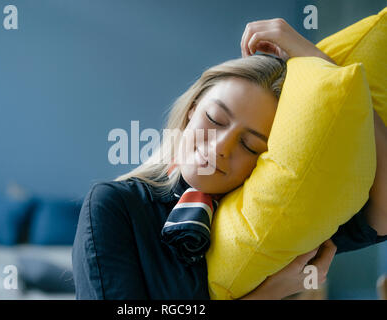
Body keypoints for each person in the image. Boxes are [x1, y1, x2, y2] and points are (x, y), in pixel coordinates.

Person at [72, 18, 387, 299]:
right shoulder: (115, 205)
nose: (220, 146)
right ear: (193, 109)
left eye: (249, 145)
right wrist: (268, 294)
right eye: (215, 119)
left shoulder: (271, 211)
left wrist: (322, 67)